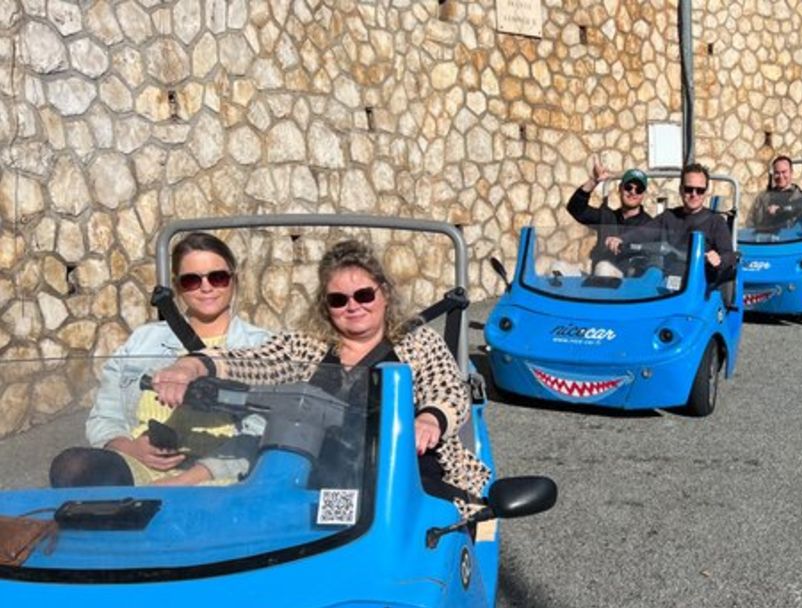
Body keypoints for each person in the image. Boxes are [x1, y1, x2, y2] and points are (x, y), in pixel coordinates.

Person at [151, 239, 489, 508]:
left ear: (383, 294)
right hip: (318, 477)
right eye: (338, 300)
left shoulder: (417, 342)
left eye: (364, 295)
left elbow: (446, 389)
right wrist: (193, 365)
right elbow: (257, 361)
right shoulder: (307, 347)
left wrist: (430, 419)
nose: (353, 306)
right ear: (326, 306)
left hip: (404, 475)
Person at [48, 232, 271, 488]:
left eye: (217, 277)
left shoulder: (262, 348)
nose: (206, 287)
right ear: (177, 286)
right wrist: (130, 447)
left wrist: (186, 479)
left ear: (234, 280)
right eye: (191, 280)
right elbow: (105, 416)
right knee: (73, 467)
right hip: (140, 465)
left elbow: (263, 430)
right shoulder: (142, 341)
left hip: (218, 471)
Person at [604, 162, 734, 282]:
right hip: (661, 282)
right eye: (689, 189)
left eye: (700, 190)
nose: (694, 194)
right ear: (681, 190)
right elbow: (645, 232)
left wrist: (718, 259)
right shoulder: (668, 216)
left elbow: (729, 255)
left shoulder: (715, 221)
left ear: (705, 193)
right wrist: (622, 239)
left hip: (695, 287)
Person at [565, 156, 653, 275]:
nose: (633, 192)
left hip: (628, 286)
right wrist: (594, 181)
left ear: (643, 195)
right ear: (620, 189)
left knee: (603, 268)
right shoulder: (607, 217)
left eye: (639, 189)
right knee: (558, 268)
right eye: (628, 187)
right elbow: (575, 209)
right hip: (597, 280)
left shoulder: (650, 224)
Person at [748, 155, 802, 229]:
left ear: (791, 172)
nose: (780, 176)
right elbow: (750, 224)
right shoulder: (762, 199)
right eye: (777, 173)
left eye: (784, 172)